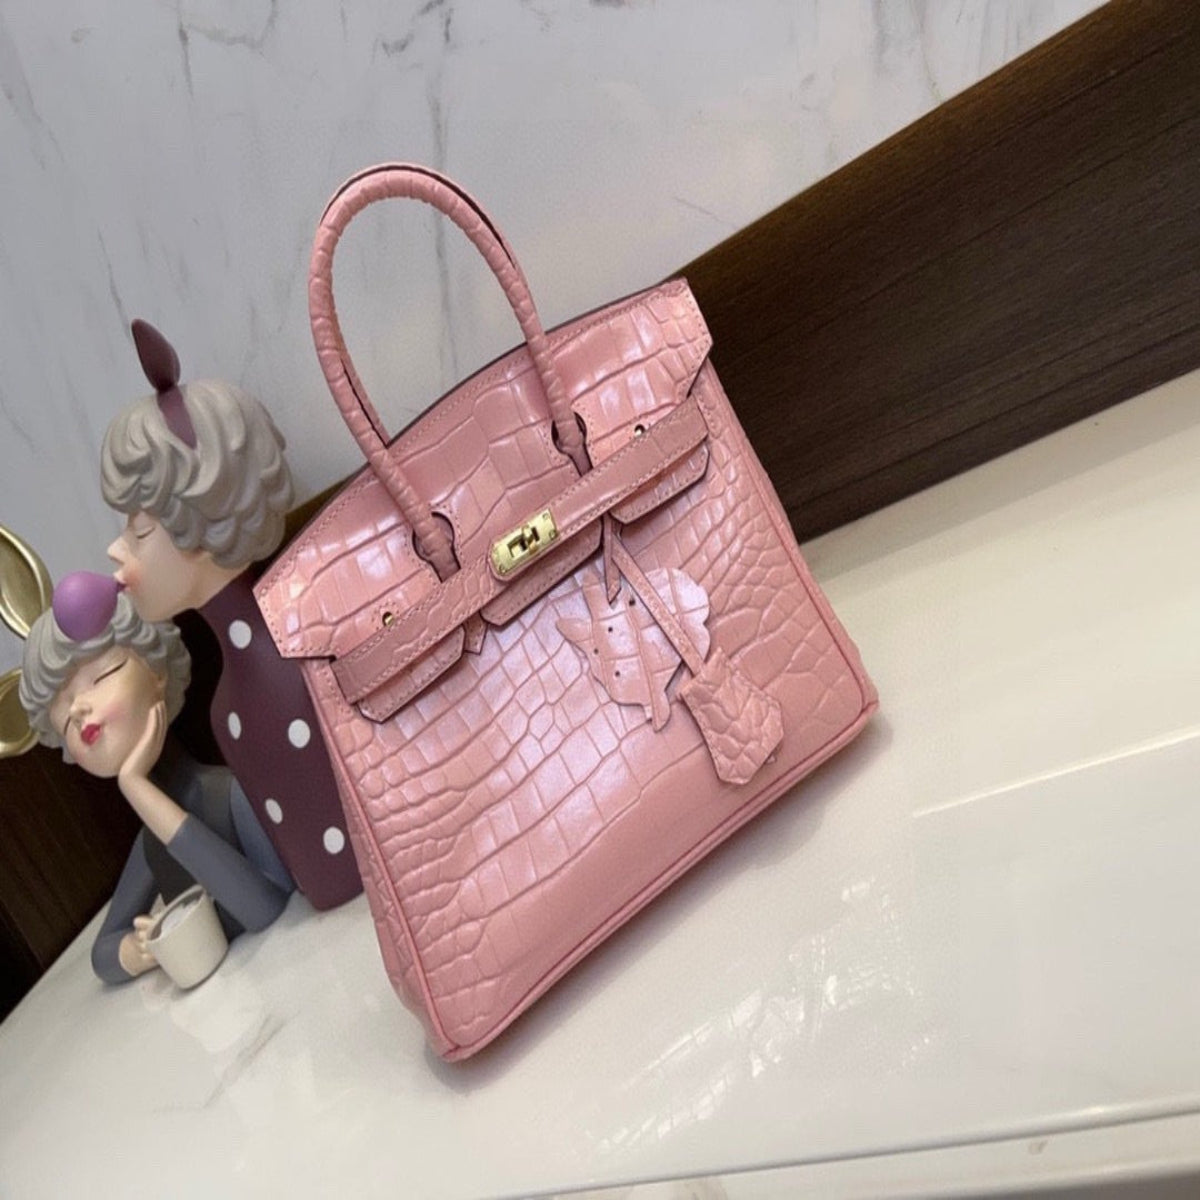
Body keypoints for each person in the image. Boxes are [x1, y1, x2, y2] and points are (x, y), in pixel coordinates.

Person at [100, 320, 361, 909]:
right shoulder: (229, 710)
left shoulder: (295, 669)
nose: (116, 552)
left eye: (139, 531)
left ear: (202, 522)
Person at [19, 574, 293, 984]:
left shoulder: (231, 794)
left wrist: (136, 786)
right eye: (62, 712)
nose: (77, 710)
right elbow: (102, 954)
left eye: (101, 676)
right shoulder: (151, 843)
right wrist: (137, 952)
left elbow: (264, 908)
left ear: (157, 672)